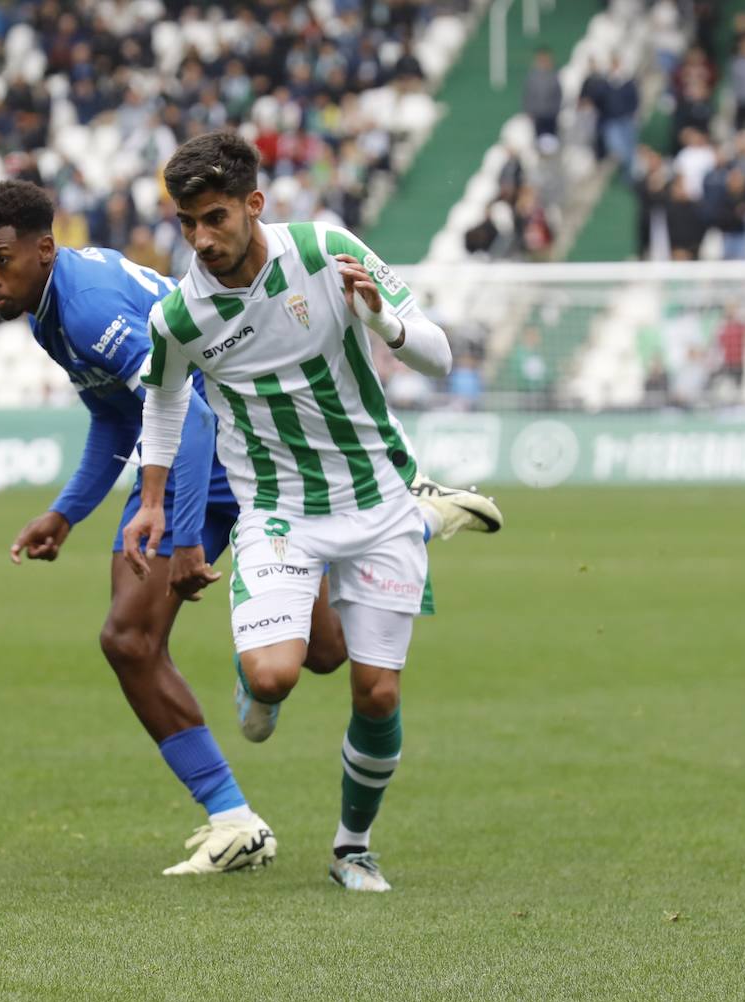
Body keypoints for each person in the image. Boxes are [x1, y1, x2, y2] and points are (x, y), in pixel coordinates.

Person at [0, 178, 502, 877]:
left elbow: (184, 412)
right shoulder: (50, 308)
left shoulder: (88, 306)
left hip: (219, 456)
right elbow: (117, 418)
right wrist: (66, 512)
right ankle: (417, 519)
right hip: (204, 452)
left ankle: (234, 820)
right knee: (314, 653)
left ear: (43, 250)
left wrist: (185, 534)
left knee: (135, 638)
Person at [123, 132, 481, 895]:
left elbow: (438, 356)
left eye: (216, 218)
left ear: (254, 204)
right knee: (276, 675)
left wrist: (383, 321)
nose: (201, 239)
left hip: (378, 495)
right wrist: (151, 501)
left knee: (376, 691)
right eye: (187, 223)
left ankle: (353, 848)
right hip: (279, 507)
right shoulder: (181, 315)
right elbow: (164, 400)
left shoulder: (326, 251)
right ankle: (257, 678)